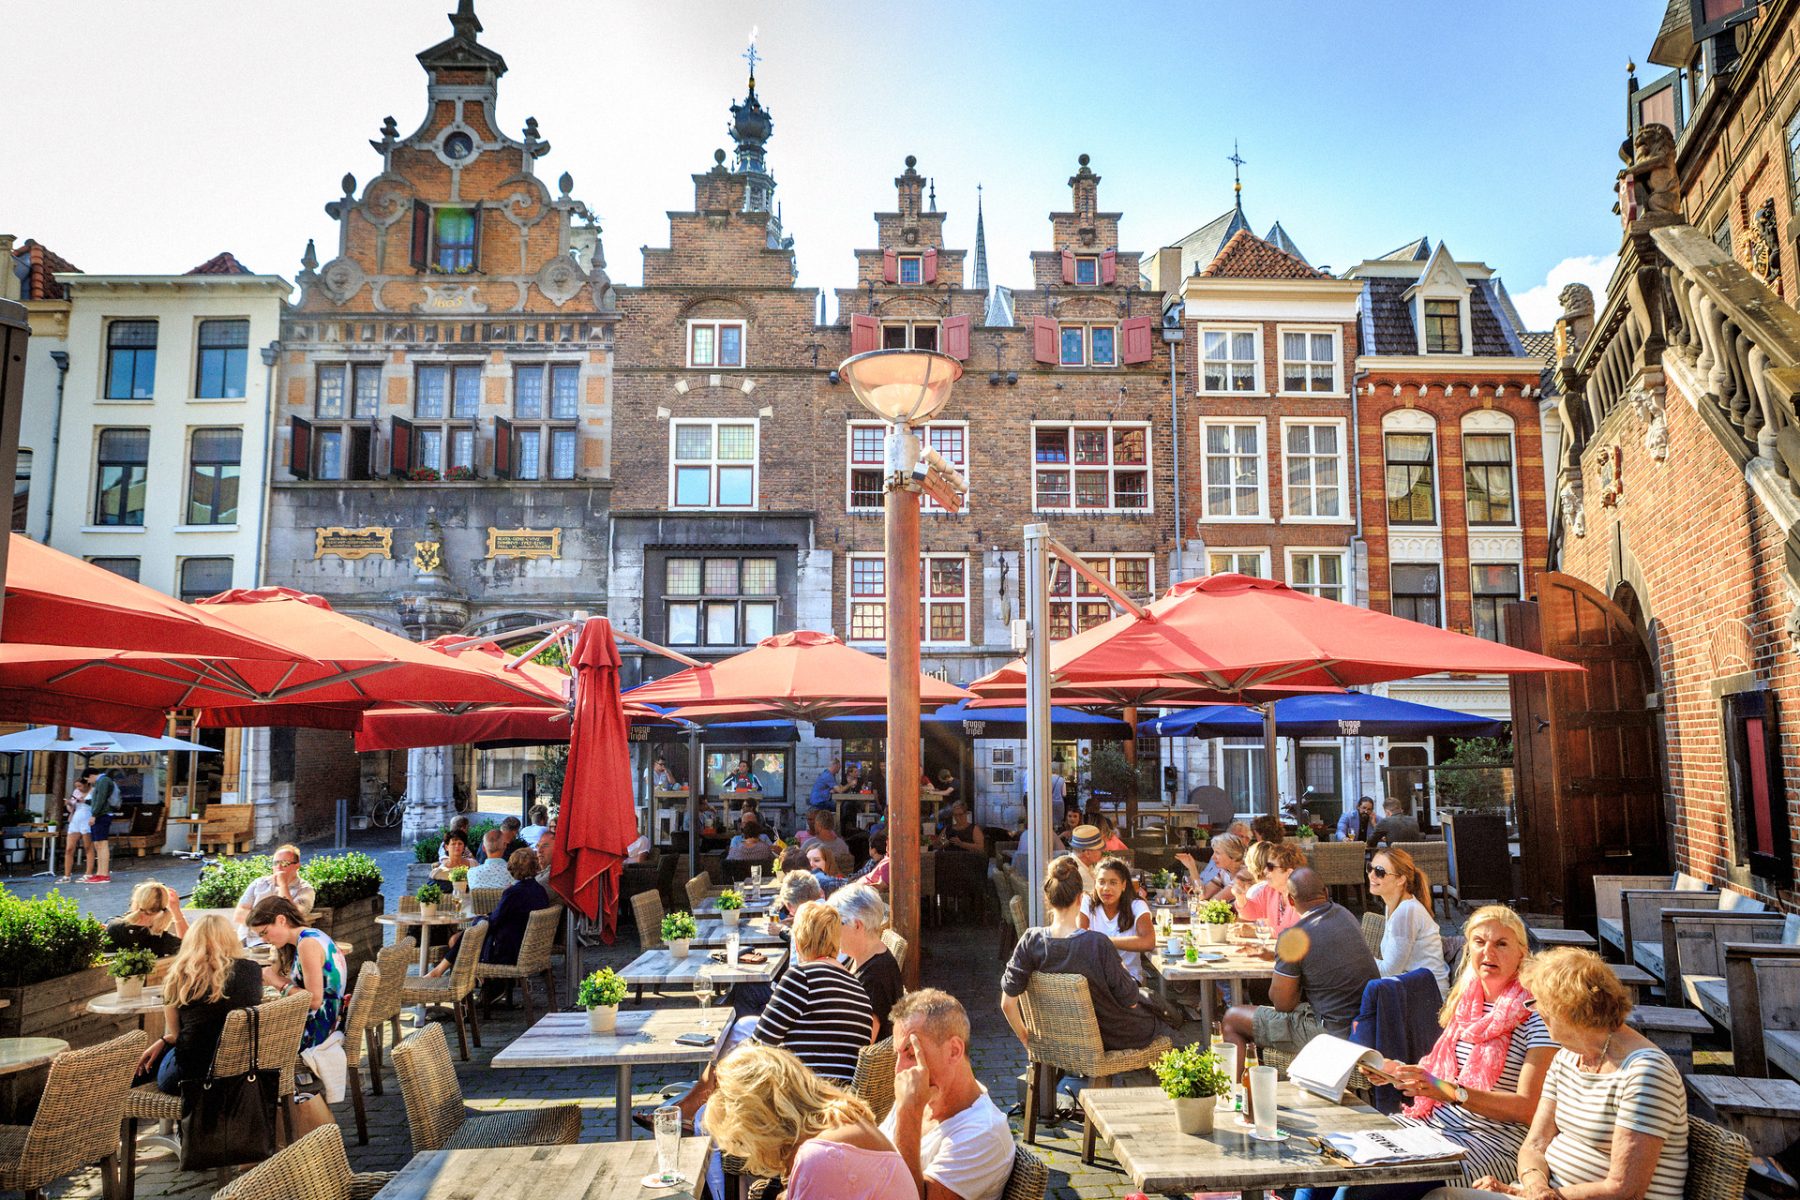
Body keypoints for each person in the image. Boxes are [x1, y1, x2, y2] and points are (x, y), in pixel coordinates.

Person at [1297, 907, 1555, 1199]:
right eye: (1479, 942)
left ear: (1522, 953)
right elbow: (1440, 1077)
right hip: (1429, 1126)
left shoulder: (1534, 1016)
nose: (1488, 952)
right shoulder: (1467, 1001)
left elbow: (1529, 1108)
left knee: (1357, 1191)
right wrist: (1396, 1072)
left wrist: (1448, 1091)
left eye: (1501, 943)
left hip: (1490, 1141)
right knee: (1323, 1162)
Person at [1434, 949, 1688, 1200]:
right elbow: (1534, 1145)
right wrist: (1534, 1187)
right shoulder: (1568, 1058)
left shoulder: (1645, 1072)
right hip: (1548, 1194)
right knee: (1443, 1195)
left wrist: (1540, 1195)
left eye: (1538, 1004)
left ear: (1567, 1011)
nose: (1534, 1011)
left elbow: (1624, 1189)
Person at [1001, 857, 1171, 1053]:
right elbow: (1131, 1001)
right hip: (1110, 1035)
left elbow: (1007, 1004)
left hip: (1055, 1037)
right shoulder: (1096, 943)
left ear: (1047, 897)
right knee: (1164, 1023)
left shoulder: (1030, 940)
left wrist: (1027, 1039)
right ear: (1081, 898)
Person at [706, 1043, 914, 1200]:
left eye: (742, 1141)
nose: (751, 1156)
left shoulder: (820, 1156)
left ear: (760, 1125)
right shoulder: (841, 1122)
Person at [1224, 868, 1378, 1058]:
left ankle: (1239, 1086)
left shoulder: (1293, 937)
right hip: (1366, 1025)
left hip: (1332, 1034)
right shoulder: (1345, 914)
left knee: (1232, 1017)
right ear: (1326, 892)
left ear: (1290, 901)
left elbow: (1283, 1005)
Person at [883, 990, 1016, 1200]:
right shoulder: (925, 1093)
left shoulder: (983, 1133)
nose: (899, 1070)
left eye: (911, 1054)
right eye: (897, 1055)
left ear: (954, 1051)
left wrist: (908, 1113)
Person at [132, 914, 263, 1094]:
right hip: (240, 1068)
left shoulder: (179, 976)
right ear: (230, 939)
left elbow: (177, 1034)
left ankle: (125, 1097)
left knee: (152, 1063)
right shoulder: (252, 970)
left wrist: (165, 1039)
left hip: (192, 1076)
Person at [426, 848, 547, 982]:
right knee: (465, 935)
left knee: (465, 935)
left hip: (506, 951)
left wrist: (481, 918)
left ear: (513, 868)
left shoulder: (513, 893)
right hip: (527, 948)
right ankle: (445, 974)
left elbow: (494, 921)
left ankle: (451, 980)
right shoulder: (539, 890)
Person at [247, 896, 346, 1052]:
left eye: (265, 932)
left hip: (316, 1034)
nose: (265, 940)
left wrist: (276, 981)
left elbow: (314, 1001)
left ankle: (287, 1075)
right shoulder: (313, 935)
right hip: (328, 1023)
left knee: (245, 1042)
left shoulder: (307, 944)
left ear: (281, 920)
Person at [830, 883, 903, 1041]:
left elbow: (862, 1044)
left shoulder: (876, 978)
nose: (831, 931)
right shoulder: (861, 956)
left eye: (836, 924)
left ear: (857, 925)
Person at [1370, 846, 1449, 990]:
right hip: (1412, 988)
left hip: (1428, 997)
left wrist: (1358, 956)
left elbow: (1389, 971)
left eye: (1379, 872)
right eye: (1370, 868)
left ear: (1400, 879)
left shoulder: (1406, 912)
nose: (1371, 875)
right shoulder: (1393, 905)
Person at [1079, 856, 1155, 982]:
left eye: (1113, 882)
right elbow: (1079, 938)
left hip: (1128, 979)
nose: (1106, 888)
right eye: (1101, 882)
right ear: (1095, 883)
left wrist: (1105, 941)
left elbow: (1149, 941)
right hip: (1096, 978)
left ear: (1123, 885)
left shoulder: (1136, 905)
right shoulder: (1088, 902)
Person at [233, 844, 315, 927]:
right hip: (248, 936)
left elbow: (293, 916)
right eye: (275, 863)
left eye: (284, 863)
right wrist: (269, 922)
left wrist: (283, 885)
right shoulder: (258, 883)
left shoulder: (305, 890)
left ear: (297, 866)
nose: (278, 867)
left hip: (279, 938)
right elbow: (239, 914)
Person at [1239, 840, 1308, 932]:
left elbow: (1297, 931)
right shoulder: (1269, 891)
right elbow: (1251, 913)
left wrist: (1260, 931)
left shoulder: (1303, 896)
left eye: (1270, 867)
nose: (1264, 871)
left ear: (1289, 872)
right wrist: (1240, 896)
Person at [107, 881, 188, 956]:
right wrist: (176, 911)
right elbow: (189, 948)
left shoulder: (115, 928)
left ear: (135, 902)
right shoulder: (162, 940)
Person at [1178, 832, 1247, 900]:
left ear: (1232, 855)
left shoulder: (1244, 874)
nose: (1213, 857)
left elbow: (1216, 900)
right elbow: (1202, 894)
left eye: (1217, 853)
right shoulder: (1223, 872)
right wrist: (1192, 867)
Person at [84, 767, 119, 883]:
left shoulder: (103, 781)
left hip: (102, 815)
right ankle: (99, 872)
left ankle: (104, 874)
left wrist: (94, 814)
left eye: (87, 779)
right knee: (98, 844)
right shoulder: (101, 782)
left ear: (91, 775)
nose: (89, 782)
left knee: (102, 844)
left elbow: (101, 799)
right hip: (101, 814)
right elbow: (97, 799)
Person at [60, 770, 93, 883]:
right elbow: (72, 807)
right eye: (76, 786)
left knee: (88, 847)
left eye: (80, 786)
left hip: (87, 819)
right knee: (69, 848)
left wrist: (85, 801)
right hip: (76, 819)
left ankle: (88, 873)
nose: (78, 788)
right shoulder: (76, 792)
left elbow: (96, 805)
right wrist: (69, 803)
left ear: (86, 784)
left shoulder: (93, 791)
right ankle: (67, 875)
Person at [1056, 824, 1105, 893]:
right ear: (1087, 853)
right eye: (1099, 849)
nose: (1103, 851)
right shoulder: (1080, 874)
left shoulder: (1071, 862)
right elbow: (1093, 901)